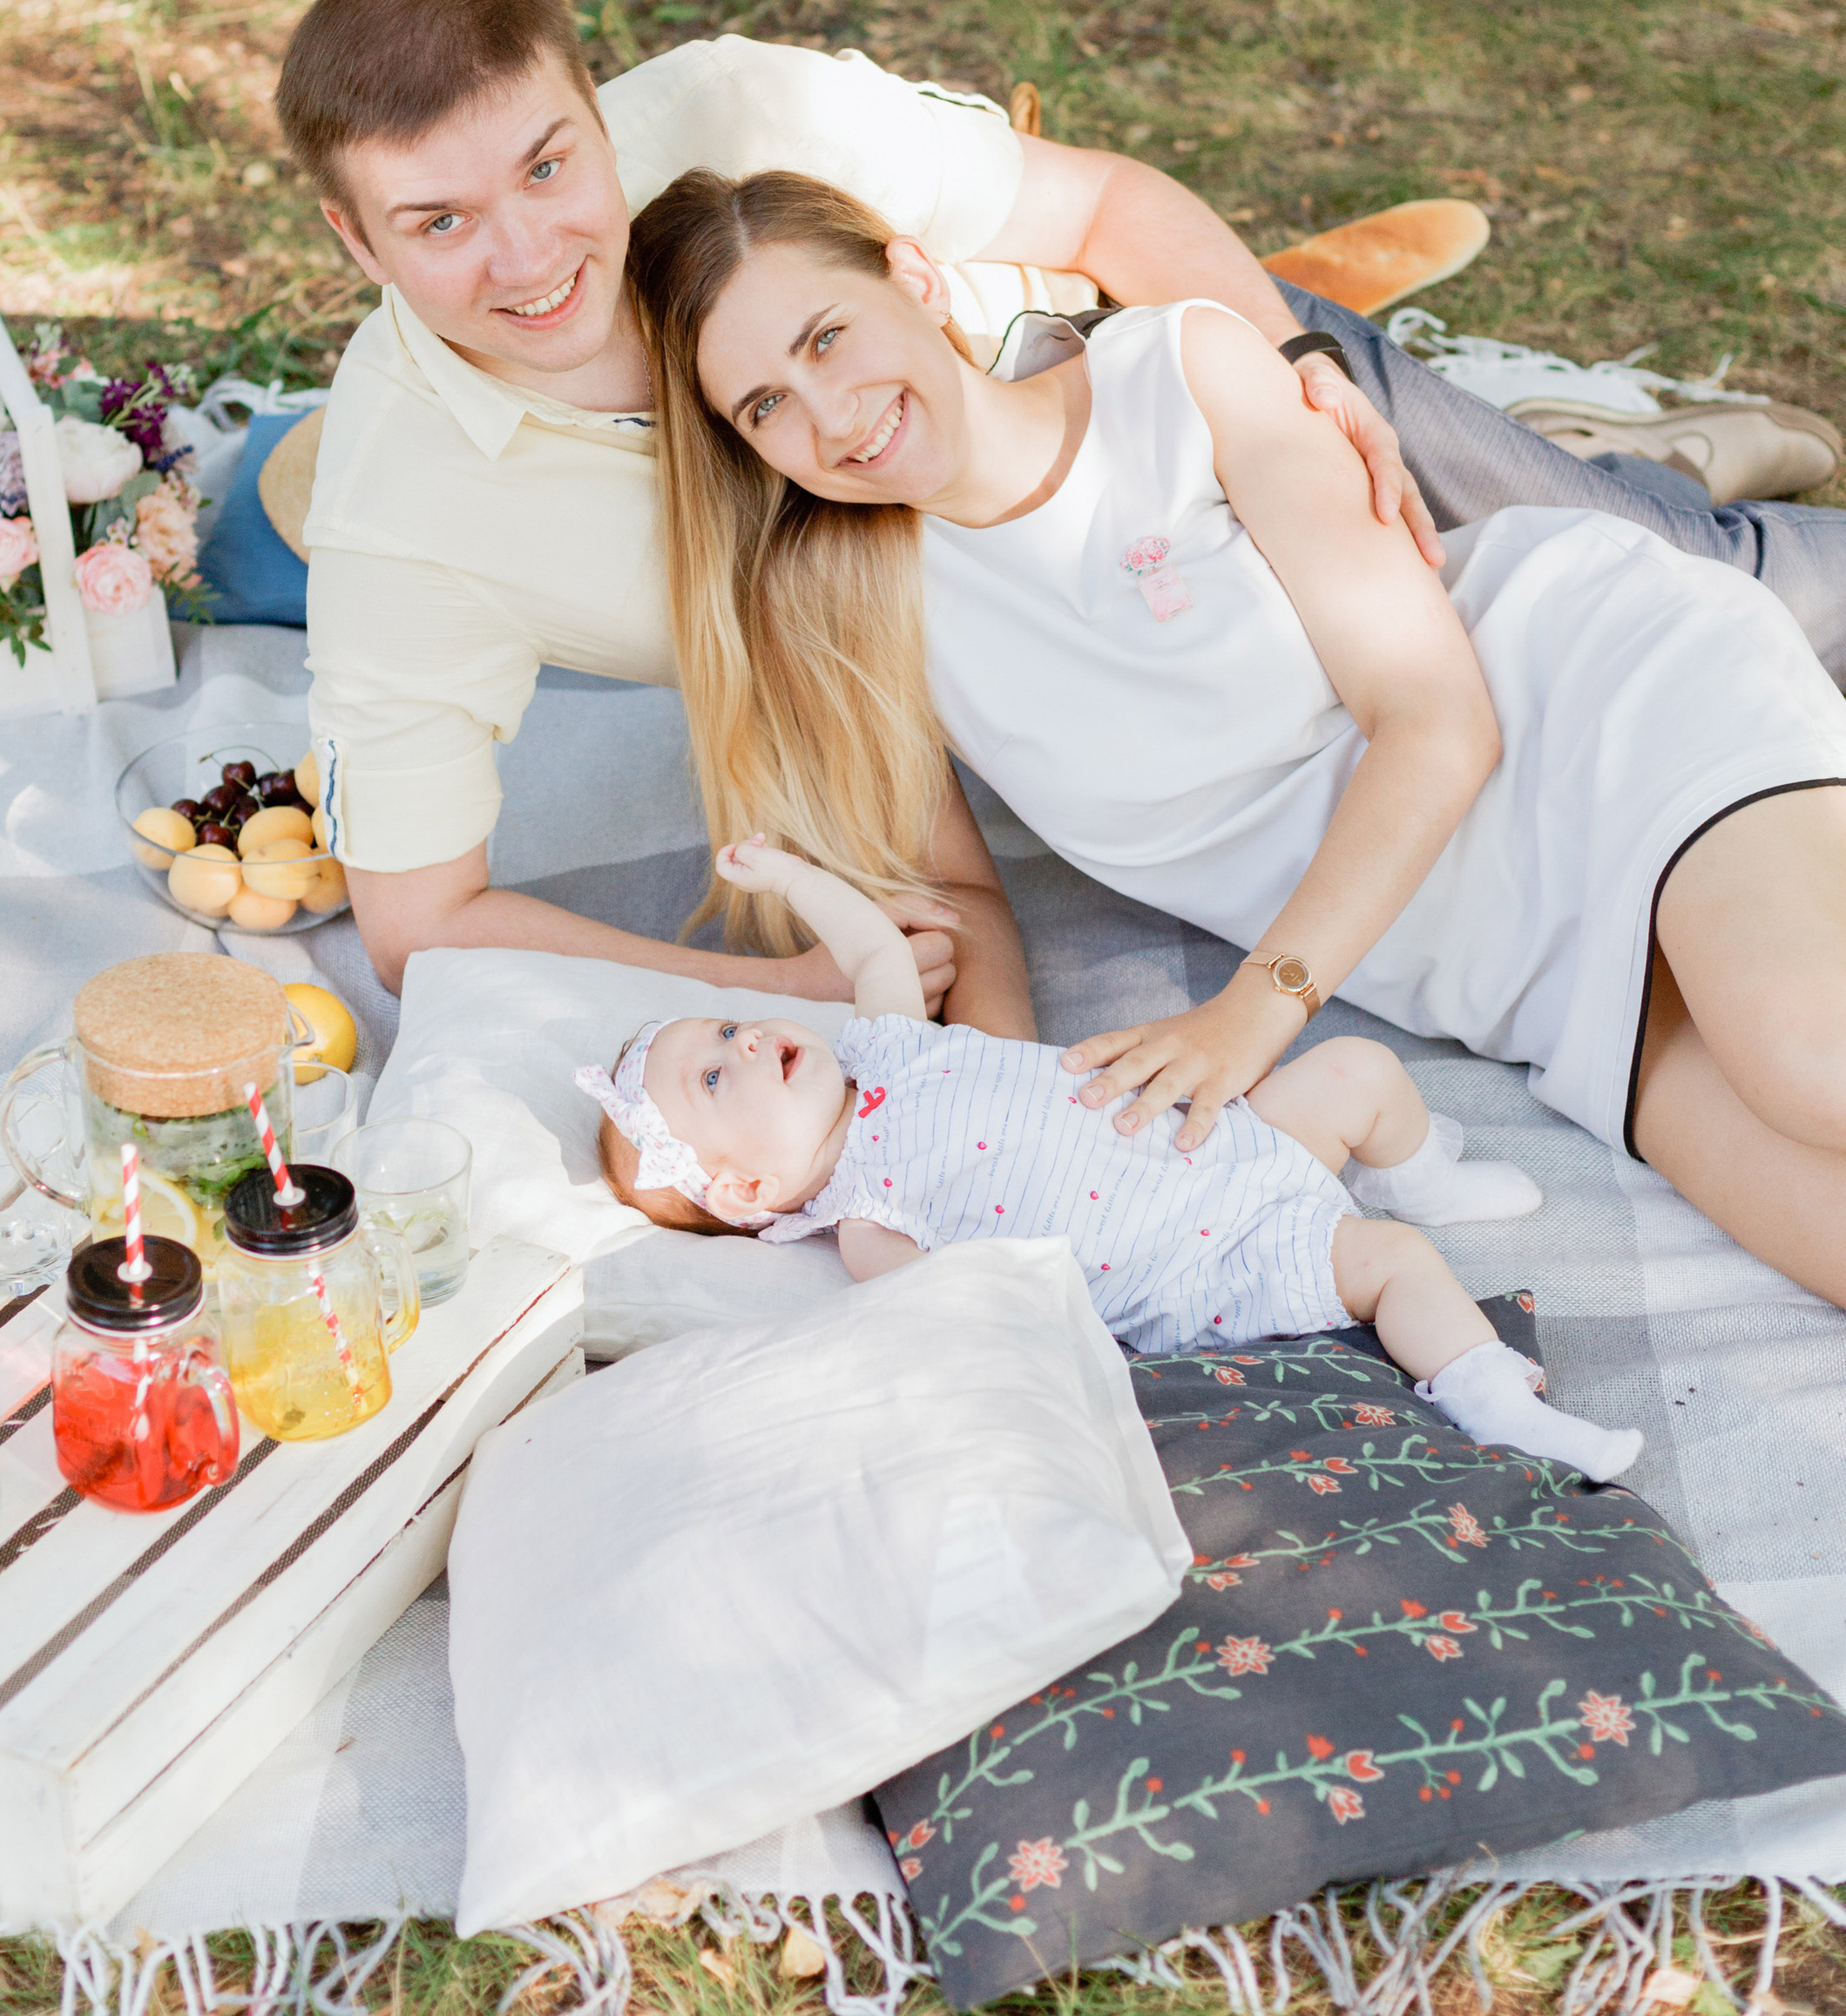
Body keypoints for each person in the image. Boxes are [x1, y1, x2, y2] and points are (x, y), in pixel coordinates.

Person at [275, 0, 1846, 1012]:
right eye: (439, 223)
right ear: (352, 240)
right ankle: (1609, 449)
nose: (530, 252)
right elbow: (425, 926)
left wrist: (1298, 374)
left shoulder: (733, 114)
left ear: (592, 103)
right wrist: (802, 987)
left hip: (1181, 407)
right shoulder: (401, 519)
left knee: (1729, 588)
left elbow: (1100, 210)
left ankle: (1610, 466)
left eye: (550, 164)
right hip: (1036, 647)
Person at [623, 170, 1846, 1309]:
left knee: (1806, 1061)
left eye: (828, 335)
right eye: (767, 405)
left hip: (1595, 707)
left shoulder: (1181, 372)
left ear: (916, 280)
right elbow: (957, 899)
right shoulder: (848, 614)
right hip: (1503, 967)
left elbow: (1435, 721)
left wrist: (1255, 1012)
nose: (831, 413)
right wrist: (988, 1146)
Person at [581, 838, 1643, 1485]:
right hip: (1202, 1256)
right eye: (713, 1082)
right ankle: (1489, 1395)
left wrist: (786, 877)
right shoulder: (869, 1219)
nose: (739, 1042)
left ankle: (1419, 1168)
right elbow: (981, 1323)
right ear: (749, 1189)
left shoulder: (884, 1043)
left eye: (722, 1030)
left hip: (1222, 1140)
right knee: (1392, 1258)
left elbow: (868, 950)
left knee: (1357, 1069)